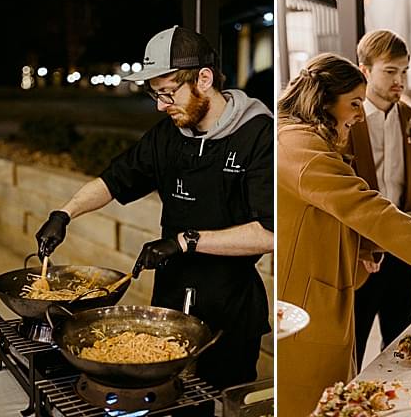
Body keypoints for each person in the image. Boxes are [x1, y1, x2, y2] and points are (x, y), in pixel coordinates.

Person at [35, 25, 274, 398]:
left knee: (219, 401)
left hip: (230, 307)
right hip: (169, 302)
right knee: (165, 399)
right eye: (155, 94)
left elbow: (271, 232)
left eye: (167, 93)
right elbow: (114, 180)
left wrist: (186, 241)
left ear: (204, 78)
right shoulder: (167, 135)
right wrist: (64, 213)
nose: (161, 106)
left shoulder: (258, 136)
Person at [277, 52, 411, 417]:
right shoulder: (300, 147)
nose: (358, 115)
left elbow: (326, 217)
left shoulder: (301, 138)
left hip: (318, 286)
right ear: (323, 101)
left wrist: (361, 248)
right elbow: (363, 204)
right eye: (354, 103)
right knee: (314, 401)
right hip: (308, 298)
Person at [350, 30, 411, 370]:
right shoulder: (347, 122)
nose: (399, 80)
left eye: (403, 71)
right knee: (352, 345)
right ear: (364, 70)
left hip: (403, 246)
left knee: (404, 340)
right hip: (360, 252)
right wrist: (363, 245)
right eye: (390, 71)